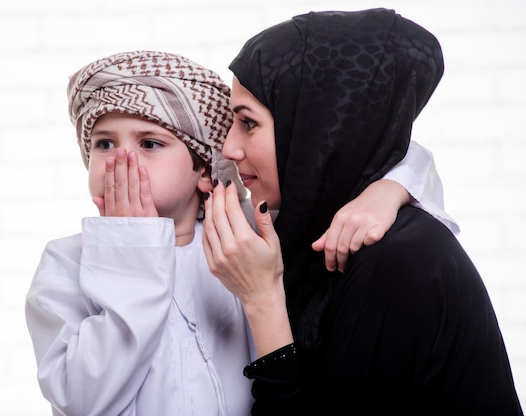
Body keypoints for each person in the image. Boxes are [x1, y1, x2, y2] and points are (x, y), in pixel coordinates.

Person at [25, 50, 457, 415]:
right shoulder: (66, 264)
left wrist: (387, 191)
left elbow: (398, 158)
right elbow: (81, 397)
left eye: (150, 144)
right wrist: (132, 255)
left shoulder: (248, 234)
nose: (122, 162)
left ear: (203, 167)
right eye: (104, 144)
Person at [202, 8, 523, 416]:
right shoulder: (315, 238)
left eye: (248, 123)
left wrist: (262, 301)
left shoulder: (396, 261)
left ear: (318, 128)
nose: (230, 147)